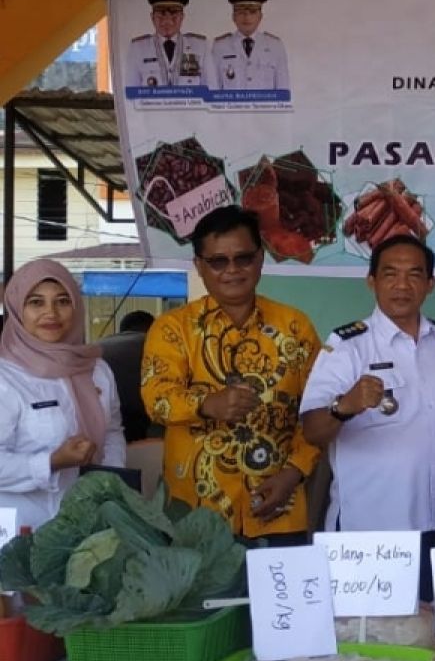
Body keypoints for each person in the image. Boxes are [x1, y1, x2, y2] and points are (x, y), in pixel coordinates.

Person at [300, 235, 435, 601]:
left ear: (430, 284)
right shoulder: (347, 346)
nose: (402, 285)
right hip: (371, 532)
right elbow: (311, 430)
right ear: (371, 281)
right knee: (369, 643)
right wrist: (345, 405)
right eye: (390, 274)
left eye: (414, 274)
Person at [141, 207, 321, 545]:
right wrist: (207, 403)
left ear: (261, 258)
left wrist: (293, 472)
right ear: (199, 265)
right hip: (196, 515)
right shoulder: (172, 328)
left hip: (280, 509)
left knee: (279, 600)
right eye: (218, 261)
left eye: (243, 258)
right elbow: (157, 400)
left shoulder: (296, 327)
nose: (233, 270)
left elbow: (316, 411)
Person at [0, 260, 125, 529]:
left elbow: (113, 430)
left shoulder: (96, 369)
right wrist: (51, 462)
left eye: (62, 301)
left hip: (87, 524)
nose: (51, 313)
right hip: (20, 526)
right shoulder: (5, 376)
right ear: (17, 308)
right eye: (36, 302)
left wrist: (111, 482)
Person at [125, 0, 208, 89]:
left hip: (191, 106)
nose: (167, 21)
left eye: (174, 15)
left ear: (182, 17)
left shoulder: (200, 47)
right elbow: (131, 92)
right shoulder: (137, 48)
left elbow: (211, 89)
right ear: (152, 17)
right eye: (161, 15)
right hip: (151, 106)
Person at [210, 0, 291, 91]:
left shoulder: (275, 46)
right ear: (233, 17)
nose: (247, 17)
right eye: (241, 12)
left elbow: (283, 88)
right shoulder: (220, 46)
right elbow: (214, 88)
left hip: (265, 107)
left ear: (260, 16)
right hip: (232, 107)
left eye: (252, 12)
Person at [97, 310, 156, 443]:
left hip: (100, 416)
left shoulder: (99, 344)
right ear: (153, 329)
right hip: (136, 415)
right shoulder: (152, 344)